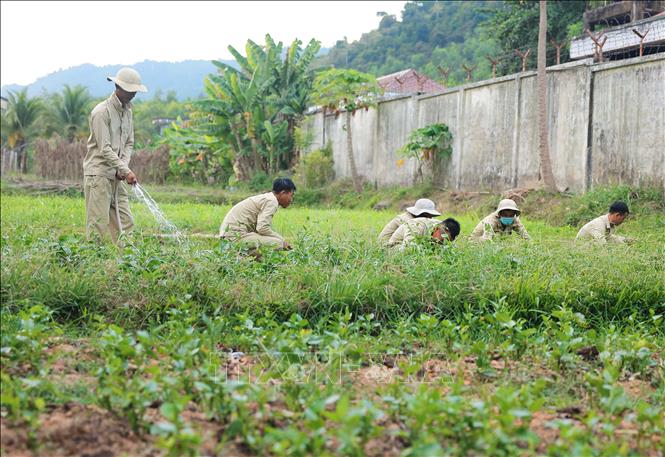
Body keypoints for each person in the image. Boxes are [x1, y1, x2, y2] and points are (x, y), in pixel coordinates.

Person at [83, 67, 147, 243]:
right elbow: (105, 149)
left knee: (126, 222)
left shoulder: (128, 112)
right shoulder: (101, 112)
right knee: (98, 224)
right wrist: (125, 171)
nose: (133, 94)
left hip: (117, 176)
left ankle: (127, 262)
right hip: (99, 175)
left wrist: (122, 169)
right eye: (130, 90)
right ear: (118, 87)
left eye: (135, 91)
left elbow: (129, 143)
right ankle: (92, 263)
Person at [219, 178, 296, 249]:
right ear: (283, 193)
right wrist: (282, 240)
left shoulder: (267, 198)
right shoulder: (272, 201)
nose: (291, 200)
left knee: (267, 243)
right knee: (278, 243)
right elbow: (262, 228)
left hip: (227, 236)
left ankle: (245, 259)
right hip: (235, 236)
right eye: (291, 195)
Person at [388, 217, 461, 250]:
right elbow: (407, 249)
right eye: (442, 239)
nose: (441, 243)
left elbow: (453, 250)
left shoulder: (443, 229)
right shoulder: (417, 226)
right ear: (437, 229)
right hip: (395, 248)